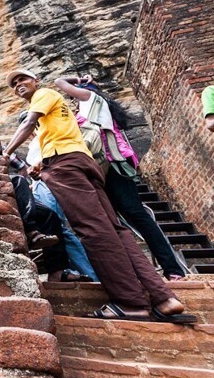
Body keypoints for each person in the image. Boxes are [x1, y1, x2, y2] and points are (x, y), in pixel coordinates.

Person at [2, 68, 194, 323]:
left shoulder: (43, 95)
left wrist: (6, 152)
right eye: (14, 84)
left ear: (35, 81)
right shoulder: (56, 110)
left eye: (22, 79)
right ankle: (164, 298)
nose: (18, 85)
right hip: (82, 163)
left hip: (65, 166)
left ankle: (130, 303)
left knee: (92, 229)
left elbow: (28, 123)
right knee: (117, 230)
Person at [55, 75, 186, 281]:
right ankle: (153, 271)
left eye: (74, 94)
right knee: (121, 220)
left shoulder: (91, 99)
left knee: (136, 215)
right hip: (101, 169)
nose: (72, 99)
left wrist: (77, 79)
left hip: (112, 165)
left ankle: (173, 269)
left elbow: (59, 82)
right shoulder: (88, 110)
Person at [0, 112, 88, 282]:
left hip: (6, 191)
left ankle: (57, 271)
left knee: (50, 216)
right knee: (16, 180)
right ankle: (31, 230)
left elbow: (22, 167)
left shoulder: (0, 148)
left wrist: (27, 183)